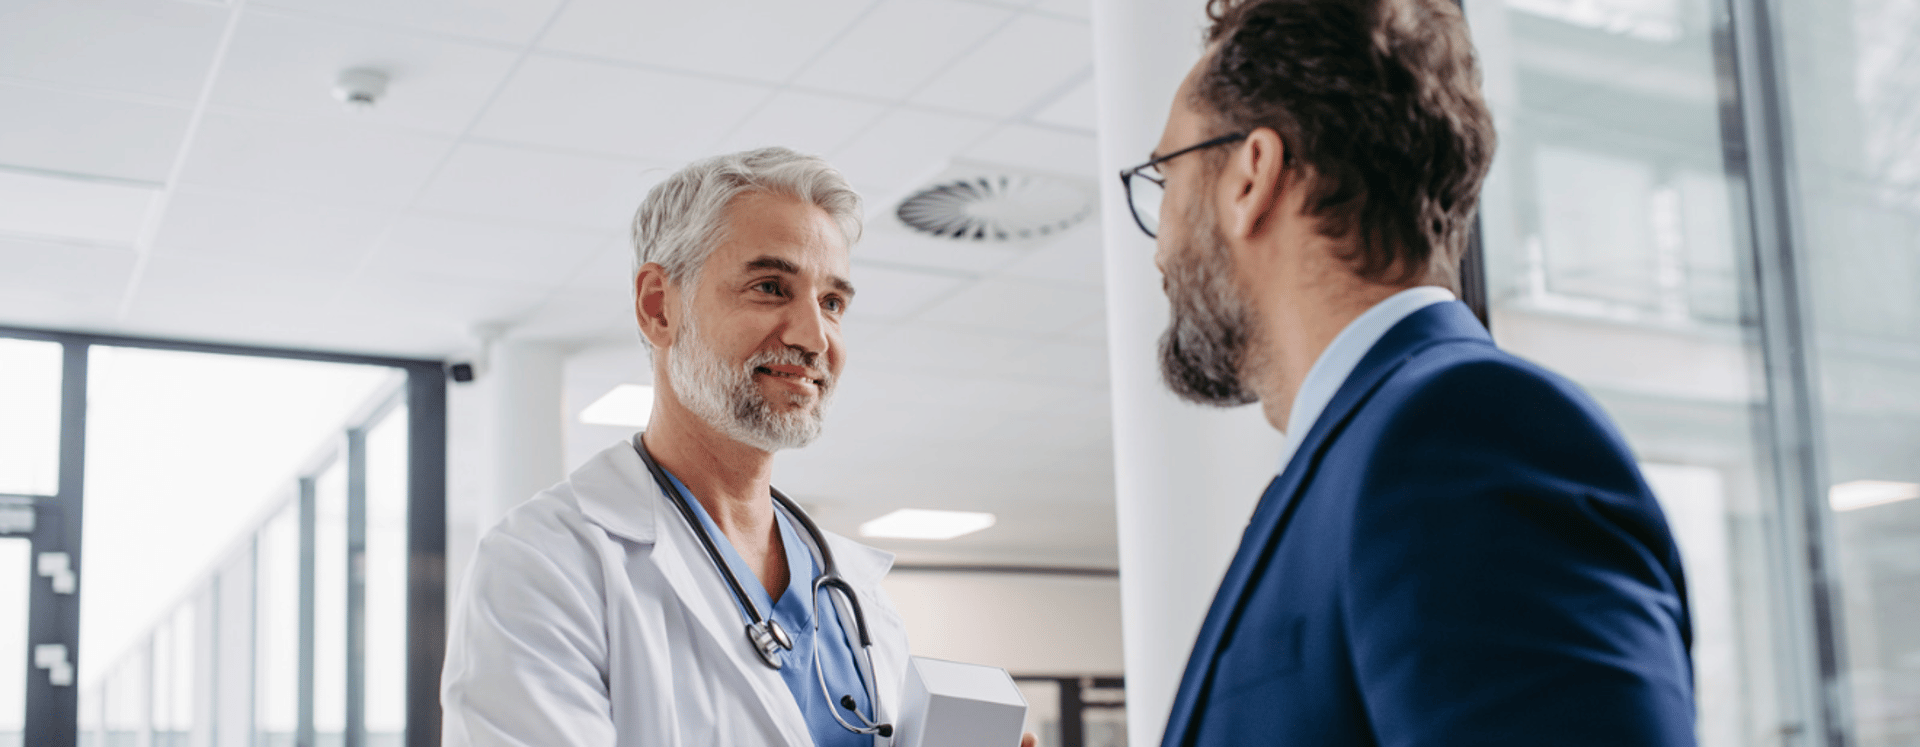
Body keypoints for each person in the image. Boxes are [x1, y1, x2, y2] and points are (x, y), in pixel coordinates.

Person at [1121, 1, 1697, 745]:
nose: (1159, 249)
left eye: (1166, 177)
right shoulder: (1359, 465)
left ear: (1250, 176)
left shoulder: (1465, 438)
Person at [441, 147, 910, 746]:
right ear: (658, 307)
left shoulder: (853, 594)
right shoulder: (544, 566)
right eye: (770, 287)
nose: (814, 337)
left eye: (832, 303)